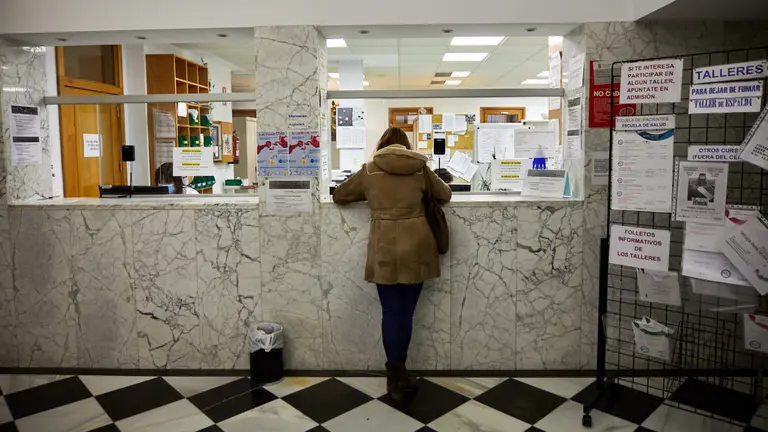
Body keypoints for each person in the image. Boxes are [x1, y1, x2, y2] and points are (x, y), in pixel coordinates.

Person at [333, 126, 451, 400]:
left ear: (382, 145)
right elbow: (444, 194)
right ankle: (400, 374)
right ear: (406, 146)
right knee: (405, 313)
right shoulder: (420, 168)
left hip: (384, 246)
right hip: (417, 245)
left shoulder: (370, 169)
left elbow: (340, 195)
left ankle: (395, 375)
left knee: (391, 312)